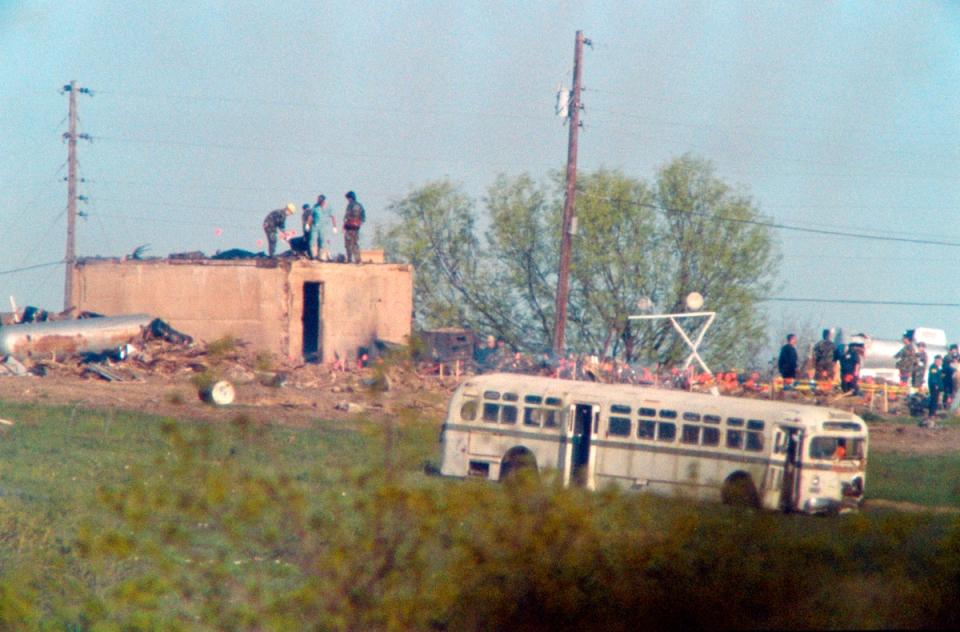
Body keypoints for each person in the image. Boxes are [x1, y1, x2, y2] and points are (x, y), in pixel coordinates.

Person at [308, 195, 336, 260]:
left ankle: (321, 257)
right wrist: (308, 224)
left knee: (323, 242)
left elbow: (333, 217)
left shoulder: (328, 207)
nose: (319, 202)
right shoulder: (315, 206)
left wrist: (334, 227)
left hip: (324, 227)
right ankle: (314, 256)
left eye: (320, 201)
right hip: (315, 227)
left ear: (323, 201)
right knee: (312, 241)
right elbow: (311, 216)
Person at [343, 190, 366, 263]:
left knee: (350, 244)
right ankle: (355, 260)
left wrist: (357, 223)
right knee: (352, 244)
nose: (348, 200)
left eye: (348, 198)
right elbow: (363, 217)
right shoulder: (358, 205)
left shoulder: (352, 205)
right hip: (353, 227)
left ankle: (353, 259)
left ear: (351, 198)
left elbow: (347, 216)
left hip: (352, 227)